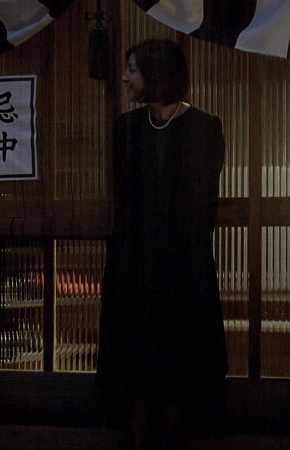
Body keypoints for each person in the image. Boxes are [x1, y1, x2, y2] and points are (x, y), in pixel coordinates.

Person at [95, 39, 228, 450]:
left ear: (156, 74)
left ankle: (171, 437)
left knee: (180, 349)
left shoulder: (204, 127)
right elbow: (124, 199)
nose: (125, 77)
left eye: (132, 69)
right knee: (131, 349)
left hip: (183, 260)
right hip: (132, 258)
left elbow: (204, 204)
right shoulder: (126, 127)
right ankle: (136, 440)